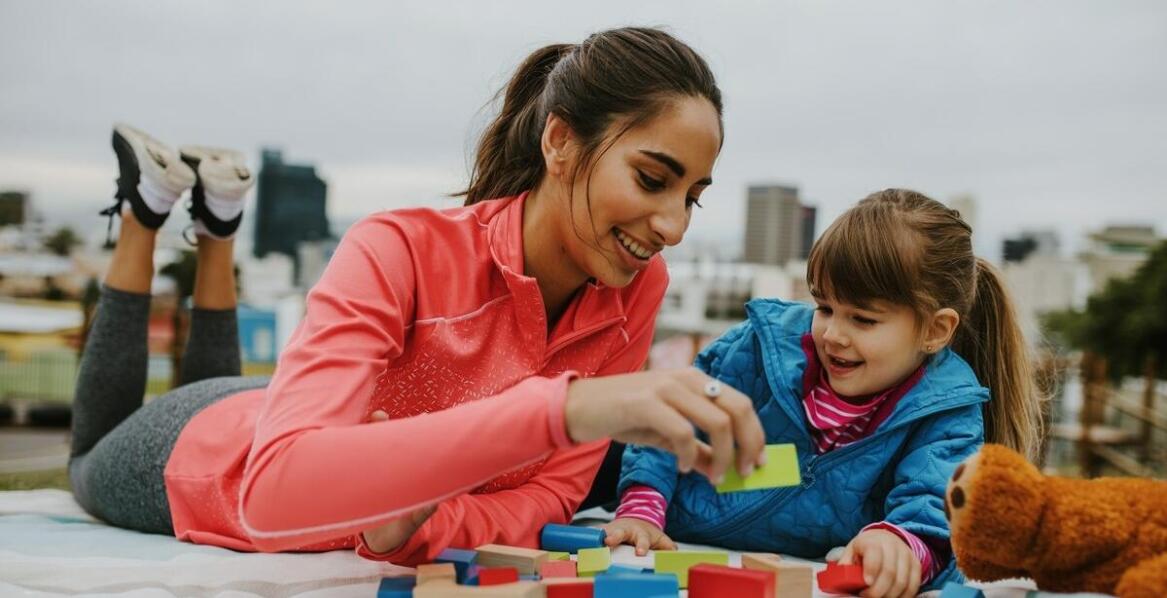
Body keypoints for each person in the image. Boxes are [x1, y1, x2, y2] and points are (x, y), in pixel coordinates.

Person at [68, 27, 766, 566]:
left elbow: (549, 498)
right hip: (203, 455)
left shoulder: (635, 286)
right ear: (560, 142)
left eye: (692, 199)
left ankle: (216, 227)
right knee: (84, 453)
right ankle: (144, 217)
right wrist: (568, 406)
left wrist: (412, 524)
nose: (672, 225)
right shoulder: (397, 247)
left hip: (275, 408)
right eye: (651, 180)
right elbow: (272, 489)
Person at [605, 189, 1045, 597]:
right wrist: (641, 505)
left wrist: (899, 547)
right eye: (825, 307)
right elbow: (670, 419)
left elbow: (933, 510)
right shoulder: (760, 347)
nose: (833, 334)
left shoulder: (946, 410)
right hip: (671, 544)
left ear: (935, 329)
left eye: (863, 320)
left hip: (804, 580)